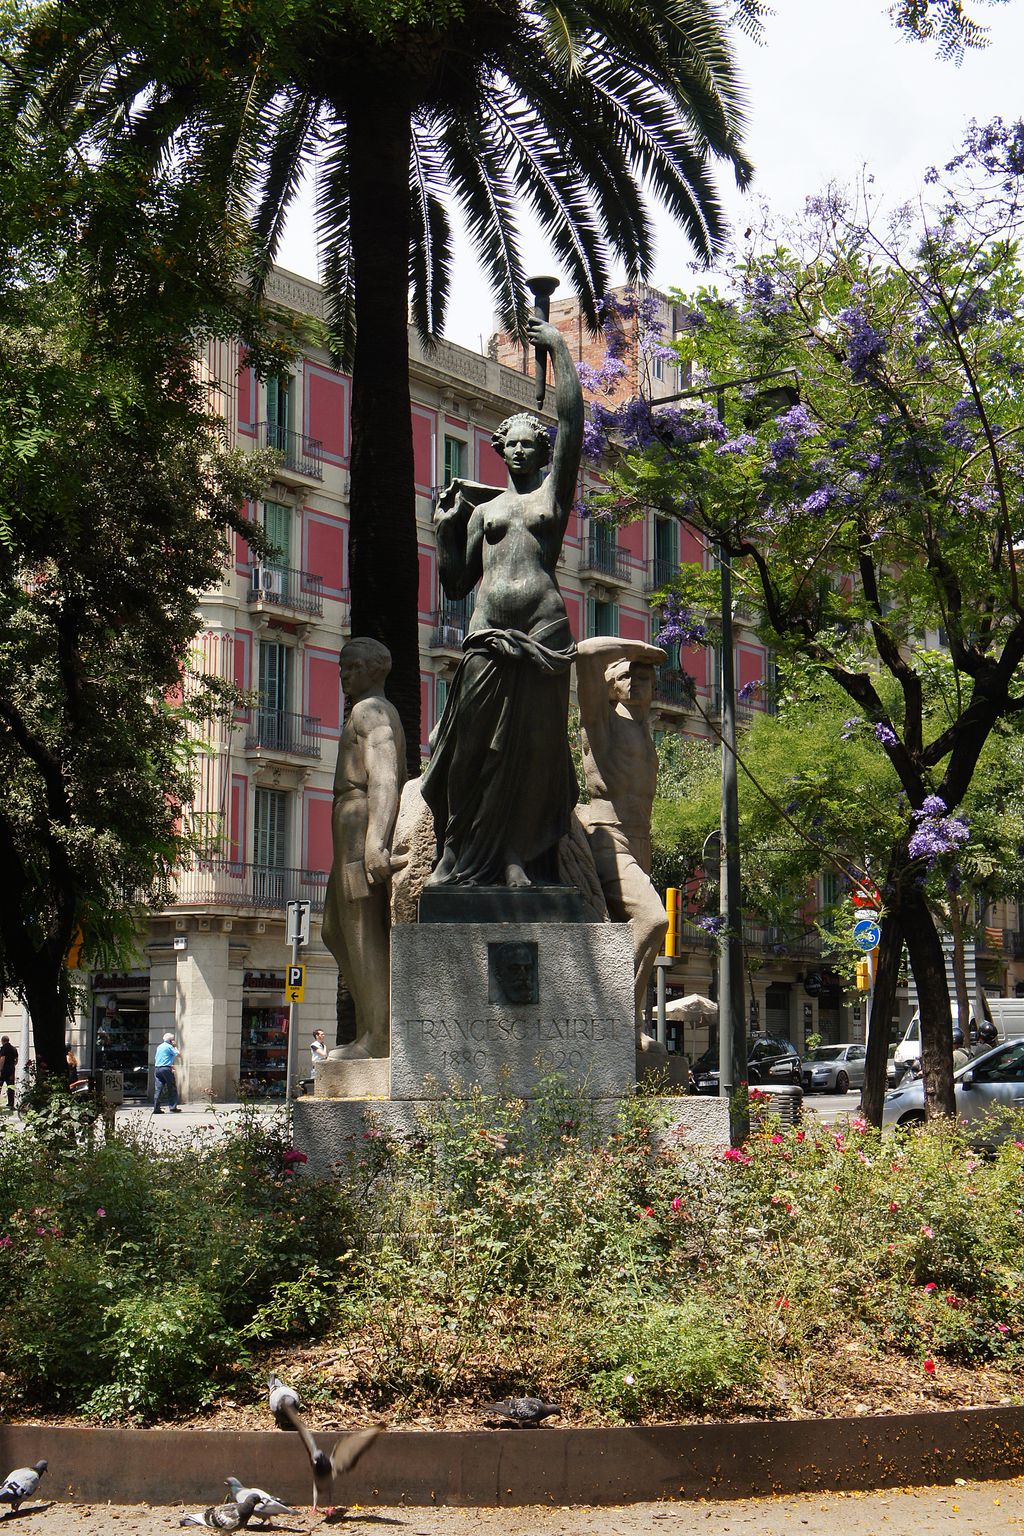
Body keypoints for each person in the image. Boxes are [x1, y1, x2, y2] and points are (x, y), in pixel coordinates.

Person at [420, 316, 583, 888]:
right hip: (487, 635)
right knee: (467, 747)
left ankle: (517, 856)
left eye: (527, 444)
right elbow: (456, 584)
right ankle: (457, 849)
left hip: (544, 633)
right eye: (508, 444)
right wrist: (443, 531)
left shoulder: (551, 500)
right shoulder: (484, 513)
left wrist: (560, 349)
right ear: (500, 452)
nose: (517, 452)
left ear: (542, 453)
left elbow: (573, 422)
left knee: (536, 754)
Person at [575, 637, 670, 1039]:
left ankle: (631, 1023)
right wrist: (634, 646)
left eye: (645, 676)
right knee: (653, 920)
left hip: (640, 841)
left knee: (627, 933)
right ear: (610, 683)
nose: (638, 681)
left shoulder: (646, 733)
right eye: (628, 674)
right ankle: (616, 1020)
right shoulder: (602, 722)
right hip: (607, 837)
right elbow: (583, 655)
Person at [321, 638, 406, 1058]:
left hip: (358, 826)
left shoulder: (370, 711)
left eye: (352, 666)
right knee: (334, 930)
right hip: (348, 827)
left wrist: (376, 841)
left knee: (360, 931)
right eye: (341, 667)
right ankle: (374, 1027)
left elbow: (386, 776)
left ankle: (378, 1037)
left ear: (375, 670)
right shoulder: (364, 711)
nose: (343, 674)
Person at [152, 1032, 181, 1113]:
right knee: (172, 1087)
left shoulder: (159, 1046)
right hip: (166, 1069)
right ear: (171, 1040)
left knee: (158, 1089)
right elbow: (178, 1054)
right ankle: (173, 1107)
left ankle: (156, 1108)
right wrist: (175, 1046)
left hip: (157, 1068)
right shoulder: (169, 1047)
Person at [0, 1036, 17, 1110]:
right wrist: (12, 1065)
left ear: (2, 1041)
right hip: (11, 1070)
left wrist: (0, 1069)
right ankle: (11, 1104)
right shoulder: (14, 1049)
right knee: (11, 1086)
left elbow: (2, 1058)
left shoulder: (3, 1048)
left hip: (4, 1070)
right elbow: (16, 1059)